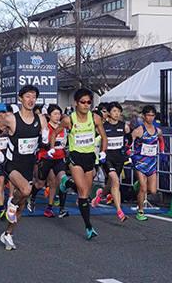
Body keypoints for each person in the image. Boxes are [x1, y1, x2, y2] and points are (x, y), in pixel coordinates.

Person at [50, 88, 107, 239]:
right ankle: (89, 227)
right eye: (83, 102)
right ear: (76, 103)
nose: (86, 105)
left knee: (86, 193)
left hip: (90, 157)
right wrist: (51, 148)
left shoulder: (95, 118)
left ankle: (66, 184)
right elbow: (55, 133)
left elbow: (103, 135)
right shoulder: (69, 119)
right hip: (75, 157)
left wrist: (104, 151)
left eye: (89, 102)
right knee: (82, 189)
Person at [0, 85, 48, 250]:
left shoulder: (40, 120)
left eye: (34, 97)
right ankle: (11, 202)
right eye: (27, 96)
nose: (31, 100)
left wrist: (47, 141)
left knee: (22, 205)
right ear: (20, 98)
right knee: (26, 190)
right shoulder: (11, 118)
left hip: (28, 165)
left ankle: (7, 233)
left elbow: (43, 144)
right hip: (12, 164)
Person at [28, 104, 69, 218]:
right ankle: (32, 197)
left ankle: (57, 208)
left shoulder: (62, 128)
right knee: (41, 184)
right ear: (49, 115)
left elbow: (65, 142)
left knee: (60, 181)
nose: (57, 116)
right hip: (45, 158)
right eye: (55, 114)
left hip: (59, 158)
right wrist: (47, 146)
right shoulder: (45, 128)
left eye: (58, 114)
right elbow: (40, 143)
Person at [92, 102, 130, 222]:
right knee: (115, 181)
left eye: (118, 111)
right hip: (107, 158)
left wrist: (127, 147)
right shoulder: (103, 127)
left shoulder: (124, 126)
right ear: (108, 113)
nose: (116, 113)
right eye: (114, 111)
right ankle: (119, 211)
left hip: (119, 158)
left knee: (111, 184)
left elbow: (130, 138)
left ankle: (101, 195)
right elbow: (96, 138)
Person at [130, 105, 166, 221]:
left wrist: (163, 152)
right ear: (143, 116)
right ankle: (140, 211)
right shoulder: (138, 131)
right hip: (140, 162)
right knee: (144, 188)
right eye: (148, 115)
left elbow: (161, 140)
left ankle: (137, 184)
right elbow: (127, 144)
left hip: (151, 163)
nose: (150, 118)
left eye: (152, 115)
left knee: (153, 190)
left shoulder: (157, 131)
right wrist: (131, 156)